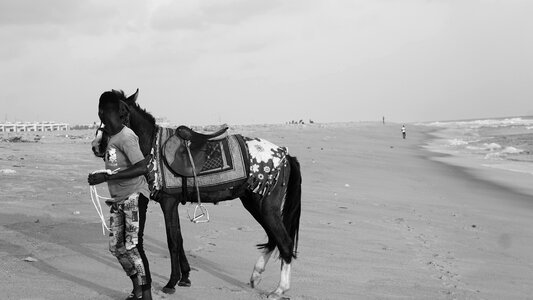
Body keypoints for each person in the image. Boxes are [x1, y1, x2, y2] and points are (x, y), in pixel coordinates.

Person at [88, 91, 152, 300]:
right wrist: (101, 176)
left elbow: (142, 167)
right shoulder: (110, 137)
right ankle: (137, 287)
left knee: (133, 245)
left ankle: (147, 294)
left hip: (135, 195)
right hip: (118, 199)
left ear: (102, 111)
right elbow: (113, 166)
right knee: (116, 247)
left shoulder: (126, 137)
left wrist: (105, 179)